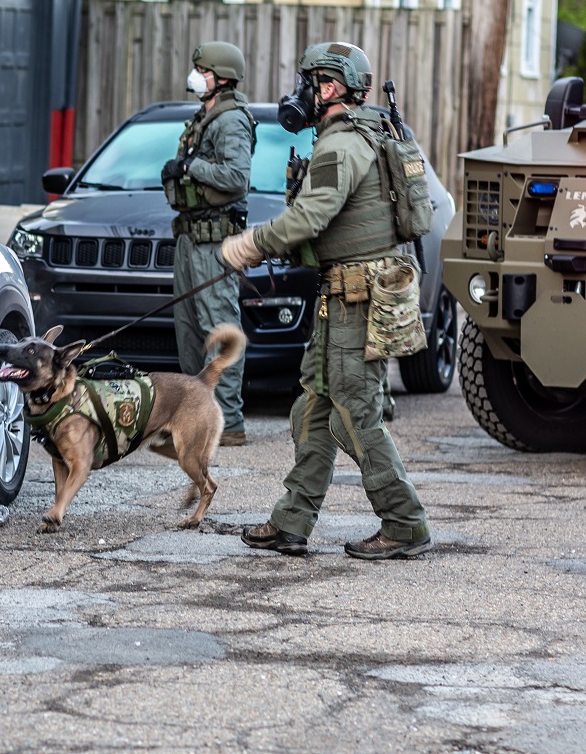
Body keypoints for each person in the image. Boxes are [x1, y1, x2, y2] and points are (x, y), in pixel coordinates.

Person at [220, 41, 432, 560]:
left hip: (355, 300)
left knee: (354, 416)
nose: (302, 92)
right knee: (312, 410)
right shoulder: (358, 135)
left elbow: (310, 217)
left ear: (331, 86)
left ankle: (405, 523)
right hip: (340, 296)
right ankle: (291, 522)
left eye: (309, 82)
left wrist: (250, 245)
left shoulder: (342, 145)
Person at [162, 41, 255, 447]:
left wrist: (190, 165)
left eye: (202, 70)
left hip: (213, 244)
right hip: (189, 238)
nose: (196, 76)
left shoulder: (231, 120)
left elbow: (236, 177)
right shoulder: (206, 116)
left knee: (218, 328)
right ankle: (192, 417)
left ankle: (228, 422)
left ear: (221, 76)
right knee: (187, 332)